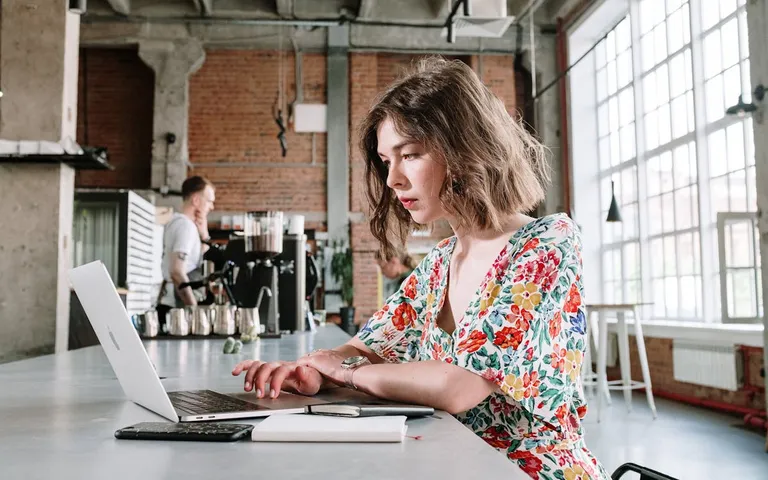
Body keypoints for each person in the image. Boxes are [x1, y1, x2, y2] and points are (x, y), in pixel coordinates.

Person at [232, 58, 608, 479]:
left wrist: (347, 373)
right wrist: (309, 371)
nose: (393, 179)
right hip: (454, 462)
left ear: (467, 148)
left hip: (527, 472)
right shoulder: (440, 263)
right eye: (386, 160)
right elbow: (366, 349)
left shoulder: (547, 243)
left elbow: (458, 386)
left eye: (409, 154)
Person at [156, 176, 215, 329]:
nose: (212, 207)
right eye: (209, 201)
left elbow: (196, 261)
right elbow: (176, 271)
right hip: (176, 311)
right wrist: (194, 311)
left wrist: (204, 235)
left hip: (175, 307)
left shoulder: (183, 225)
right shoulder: (185, 226)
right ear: (196, 200)